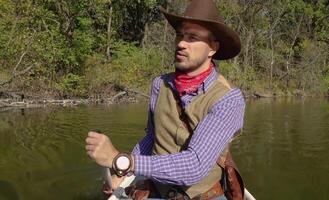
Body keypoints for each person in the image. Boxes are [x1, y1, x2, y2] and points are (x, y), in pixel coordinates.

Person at [85, 0, 246, 199]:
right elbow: (151, 138)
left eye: (193, 37)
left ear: (212, 48)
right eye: (180, 35)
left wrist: (121, 160)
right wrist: (123, 172)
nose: (181, 43)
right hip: (157, 190)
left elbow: (194, 166)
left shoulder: (228, 99)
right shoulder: (159, 84)